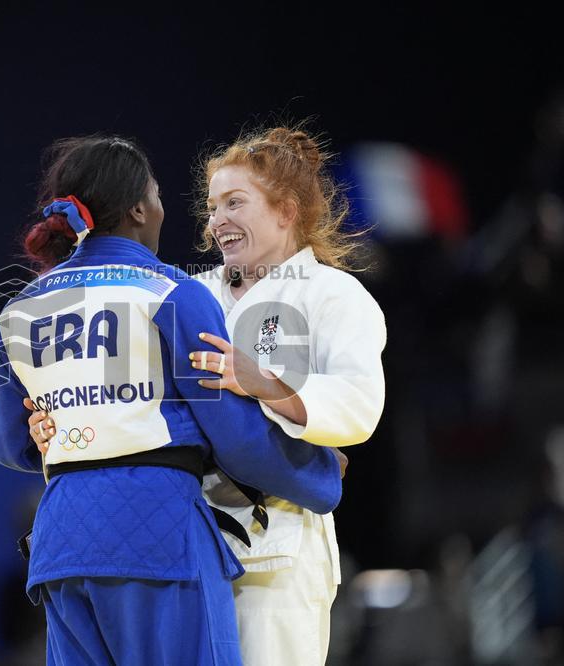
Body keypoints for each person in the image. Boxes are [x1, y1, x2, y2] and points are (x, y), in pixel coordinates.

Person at [29, 126, 387, 665]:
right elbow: (130, 396)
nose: (217, 220)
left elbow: (358, 403)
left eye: (235, 202)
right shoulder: (189, 290)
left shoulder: (334, 294)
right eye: (213, 206)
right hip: (184, 546)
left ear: (286, 210)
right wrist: (59, 421)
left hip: (276, 556)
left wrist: (266, 383)